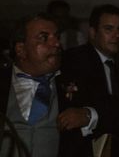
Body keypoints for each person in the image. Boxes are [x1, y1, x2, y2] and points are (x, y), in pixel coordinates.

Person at [0, 14, 96, 157]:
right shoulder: (2, 80)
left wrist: (88, 115)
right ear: (21, 49)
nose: (56, 44)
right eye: (44, 38)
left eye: (57, 37)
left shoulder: (74, 78)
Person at [59, 4, 119, 157]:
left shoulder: (112, 62)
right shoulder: (77, 60)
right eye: (109, 29)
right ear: (92, 32)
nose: (117, 35)